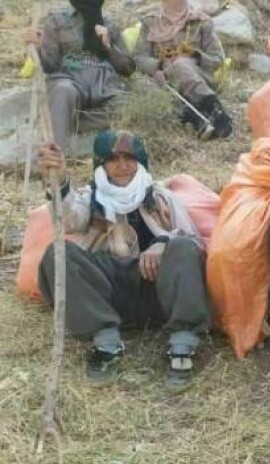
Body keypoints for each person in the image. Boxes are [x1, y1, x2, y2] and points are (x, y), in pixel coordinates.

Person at [36, 131, 211, 390]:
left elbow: (193, 240)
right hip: (108, 293)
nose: (122, 166)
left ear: (140, 162)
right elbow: (68, 221)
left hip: (157, 291)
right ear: (101, 163)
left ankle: (182, 346)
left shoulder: (160, 196)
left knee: (183, 248)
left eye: (129, 158)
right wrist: (59, 179)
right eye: (113, 159)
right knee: (57, 253)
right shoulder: (89, 197)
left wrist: (162, 244)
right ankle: (105, 342)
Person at [23, 0, 135, 152]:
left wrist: (109, 46)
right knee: (63, 90)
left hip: (104, 84)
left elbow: (127, 68)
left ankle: (67, 118)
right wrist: (37, 46)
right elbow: (50, 65)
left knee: (128, 104)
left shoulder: (109, 22)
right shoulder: (56, 20)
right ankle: (58, 155)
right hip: (69, 80)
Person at [134, 0, 233, 140]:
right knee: (144, 85)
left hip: (195, 74)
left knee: (181, 65)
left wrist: (195, 54)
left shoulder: (201, 21)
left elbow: (217, 59)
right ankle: (197, 120)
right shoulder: (150, 21)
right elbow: (139, 57)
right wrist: (158, 67)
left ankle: (216, 112)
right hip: (163, 78)